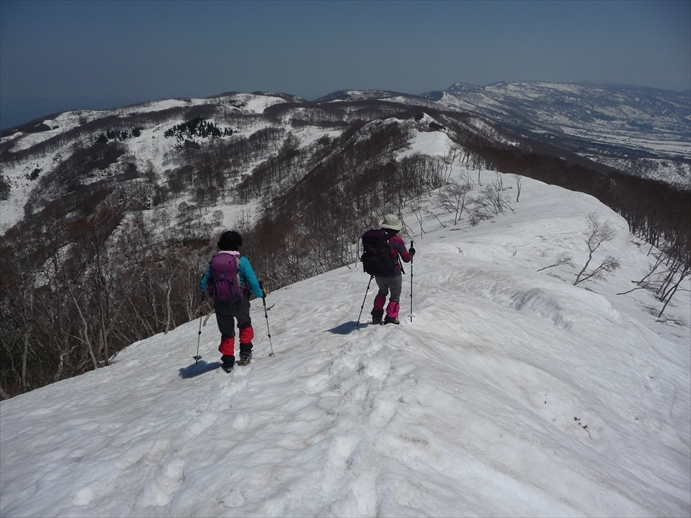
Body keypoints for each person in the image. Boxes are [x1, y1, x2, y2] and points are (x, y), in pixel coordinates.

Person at [201, 230, 264, 372]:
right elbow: (253, 282)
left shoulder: (213, 262)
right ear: (237, 244)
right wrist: (260, 294)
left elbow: (203, 284)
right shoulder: (242, 260)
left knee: (226, 332)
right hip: (239, 301)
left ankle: (228, 361)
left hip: (220, 303)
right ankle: (245, 353)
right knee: (245, 324)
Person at [370, 214, 415, 325]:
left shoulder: (376, 239)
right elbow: (406, 258)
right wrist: (411, 253)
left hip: (379, 273)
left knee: (382, 292)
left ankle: (376, 316)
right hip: (394, 273)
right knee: (395, 297)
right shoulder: (397, 240)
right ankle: (391, 318)